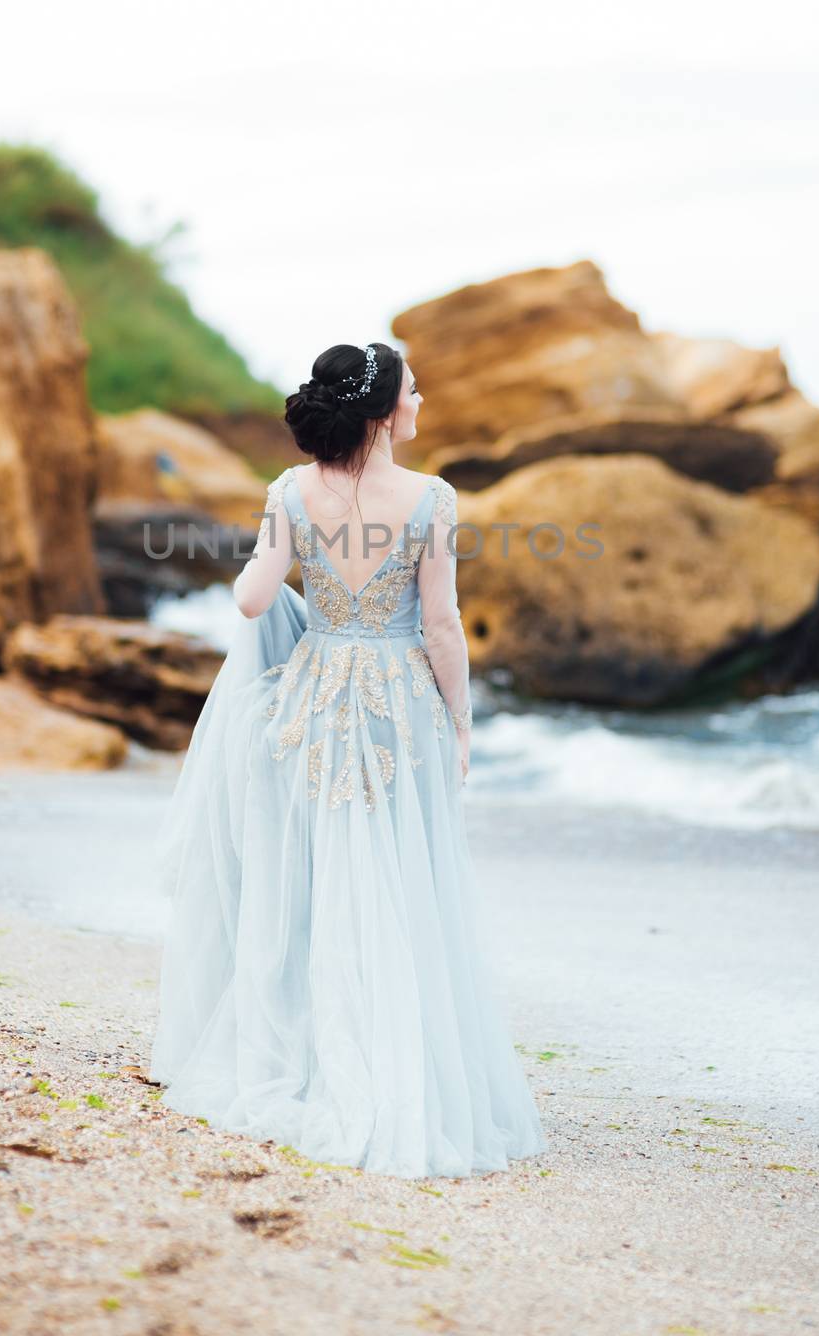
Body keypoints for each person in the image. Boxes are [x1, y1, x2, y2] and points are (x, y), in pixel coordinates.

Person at [149, 341, 547, 1178]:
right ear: (383, 412)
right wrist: (463, 720)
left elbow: (255, 598)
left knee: (318, 881)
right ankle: (391, 1069)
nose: (422, 396)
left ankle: (309, 1058)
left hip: (316, 697)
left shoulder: (290, 492)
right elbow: (442, 626)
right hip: (399, 707)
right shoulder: (430, 499)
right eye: (412, 388)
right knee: (398, 883)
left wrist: (286, 571)